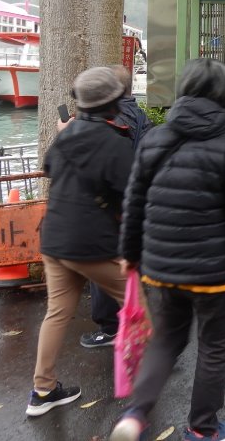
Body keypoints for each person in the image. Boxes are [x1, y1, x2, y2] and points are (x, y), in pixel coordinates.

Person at [109, 59, 225, 441]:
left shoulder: (154, 140)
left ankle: (136, 413)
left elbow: (134, 202)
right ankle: (203, 428)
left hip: (160, 269)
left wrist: (129, 253)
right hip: (213, 274)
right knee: (214, 347)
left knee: (166, 340)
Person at [27, 66, 134, 418]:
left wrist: (67, 135)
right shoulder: (115, 141)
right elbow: (130, 197)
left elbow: (49, 167)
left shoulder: (67, 135)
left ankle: (43, 390)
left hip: (54, 240)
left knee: (57, 313)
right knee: (140, 306)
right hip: (91, 243)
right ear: (113, 103)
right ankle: (147, 381)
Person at [81, 64, 154, 350]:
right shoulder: (142, 117)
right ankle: (140, 322)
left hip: (112, 205)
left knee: (105, 264)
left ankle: (111, 327)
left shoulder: (111, 120)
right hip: (138, 202)